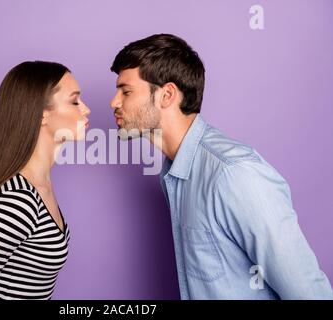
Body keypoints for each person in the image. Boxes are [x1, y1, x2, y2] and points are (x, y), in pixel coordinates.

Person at [110, 33, 333, 299]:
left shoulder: (232, 173)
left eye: (126, 91)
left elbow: (308, 292)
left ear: (167, 95)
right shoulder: (172, 172)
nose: (114, 102)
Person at [0, 61, 90, 300]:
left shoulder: (40, 187)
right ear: (43, 115)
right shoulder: (18, 200)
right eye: (74, 101)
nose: (85, 109)